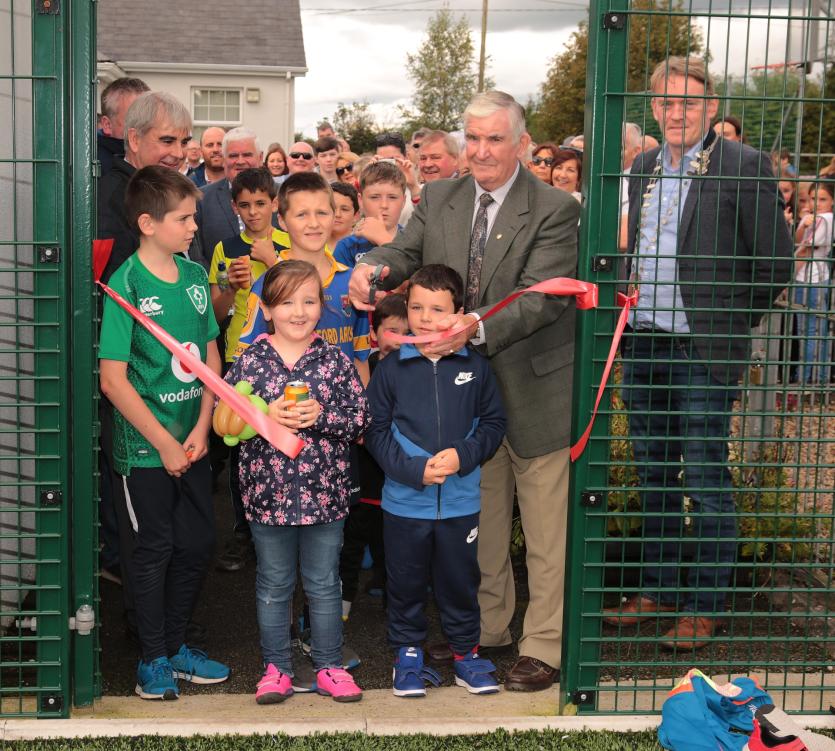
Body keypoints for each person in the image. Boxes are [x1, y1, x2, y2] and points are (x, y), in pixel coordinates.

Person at [349, 90, 581, 691]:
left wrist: (472, 327)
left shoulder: (556, 208)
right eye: (472, 138)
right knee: (481, 526)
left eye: (495, 139)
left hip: (534, 393)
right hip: (459, 403)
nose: (480, 151)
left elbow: (542, 296)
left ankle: (544, 647)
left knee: (546, 531)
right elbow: (404, 252)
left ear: (522, 144)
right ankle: (491, 630)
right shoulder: (442, 196)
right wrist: (373, 267)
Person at [603, 56, 793, 648]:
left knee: (706, 476)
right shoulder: (643, 166)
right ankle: (658, 588)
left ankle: (703, 603)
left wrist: (731, 321)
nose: (676, 112)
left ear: (710, 108)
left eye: (688, 102)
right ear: (653, 109)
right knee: (656, 472)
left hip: (704, 347)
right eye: (665, 103)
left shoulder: (744, 165)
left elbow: (775, 263)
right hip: (646, 342)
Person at [99, 165, 229, 700]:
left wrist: (199, 429)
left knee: (197, 544)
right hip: (145, 451)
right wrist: (163, 442)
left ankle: (176, 647)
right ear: (148, 223)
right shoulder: (125, 284)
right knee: (152, 550)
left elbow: (209, 357)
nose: (194, 227)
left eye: (194, 217)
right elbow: (112, 380)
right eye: (184, 218)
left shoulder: (196, 280)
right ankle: (152, 659)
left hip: (192, 445)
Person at [223, 260, 368, 704]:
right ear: (266, 309)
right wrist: (264, 414)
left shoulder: (334, 361)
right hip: (268, 498)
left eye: (308, 301)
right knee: (273, 583)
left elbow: (361, 418)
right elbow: (226, 422)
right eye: (286, 302)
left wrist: (323, 417)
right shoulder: (249, 361)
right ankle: (277, 668)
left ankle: (329, 666)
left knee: (324, 582)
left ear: (322, 307)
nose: (298, 311)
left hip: (325, 496)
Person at [366, 265, 506, 698]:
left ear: (459, 313)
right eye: (417, 307)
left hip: (461, 504)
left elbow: (493, 423)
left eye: (437, 309)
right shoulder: (391, 369)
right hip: (405, 504)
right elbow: (375, 430)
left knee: (460, 581)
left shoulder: (477, 367)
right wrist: (413, 470)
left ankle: (466, 655)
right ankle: (407, 656)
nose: (425, 317)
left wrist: (463, 455)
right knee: (404, 583)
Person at [207, 167, 291, 572]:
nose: (254, 213)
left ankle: (282, 524)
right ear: (234, 207)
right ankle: (245, 531)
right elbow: (215, 312)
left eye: (261, 204)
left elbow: (297, 294)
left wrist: (271, 260)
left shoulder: (288, 243)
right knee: (243, 445)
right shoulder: (225, 247)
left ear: (275, 204)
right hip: (240, 358)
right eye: (245, 205)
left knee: (282, 437)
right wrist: (230, 288)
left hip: (284, 354)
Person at [235, 172, 371, 386]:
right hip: (284, 412)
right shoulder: (267, 285)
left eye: (322, 213)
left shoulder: (352, 281)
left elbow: (360, 360)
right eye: (302, 215)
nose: (314, 223)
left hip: (342, 414)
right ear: (282, 220)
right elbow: (245, 368)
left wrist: (361, 415)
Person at [339, 293, 409, 620]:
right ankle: (341, 604)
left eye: (407, 333)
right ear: (375, 333)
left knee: (391, 543)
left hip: (395, 474)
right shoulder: (364, 365)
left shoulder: (415, 371)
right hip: (364, 471)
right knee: (352, 539)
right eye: (392, 331)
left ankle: (394, 606)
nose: (399, 340)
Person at [193, 127, 263, 269]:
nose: (240, 161)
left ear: (260, 158)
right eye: (233, 156)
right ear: (224, 160)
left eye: (247, 154)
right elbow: (197, 255)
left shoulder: (280, 195)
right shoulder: (201, 199)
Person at [792, 182, 833, 386]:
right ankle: (816, 379)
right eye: (813, 198)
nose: (817, 203)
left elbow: (804, 249)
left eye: (822, 199)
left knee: (809, 331)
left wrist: (788, 278)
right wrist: (803, 221)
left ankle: (805, 380)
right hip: (812, 277)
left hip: (811, 278)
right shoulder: (814, 219)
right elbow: (798, 239)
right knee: (815, 330)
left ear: (832, 201)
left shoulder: (825, 219)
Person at [333, 161, 406, 268]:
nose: (384, 205)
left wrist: (383, 240)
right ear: (360, 200)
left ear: (403, 201)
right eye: (375, 197)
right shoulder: (347, 247)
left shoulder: (415, 243)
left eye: (392, 197)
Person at [97, 77, 150, 176]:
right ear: (107, 125)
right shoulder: (97, 166)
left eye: (150, 116)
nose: (146, 125)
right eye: (134, 118)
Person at [331, 182, 360, 248]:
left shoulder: (363, 248)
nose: (337, 214)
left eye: (344, 209)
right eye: (332, 207)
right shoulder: (313, 246)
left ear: (356, 216)